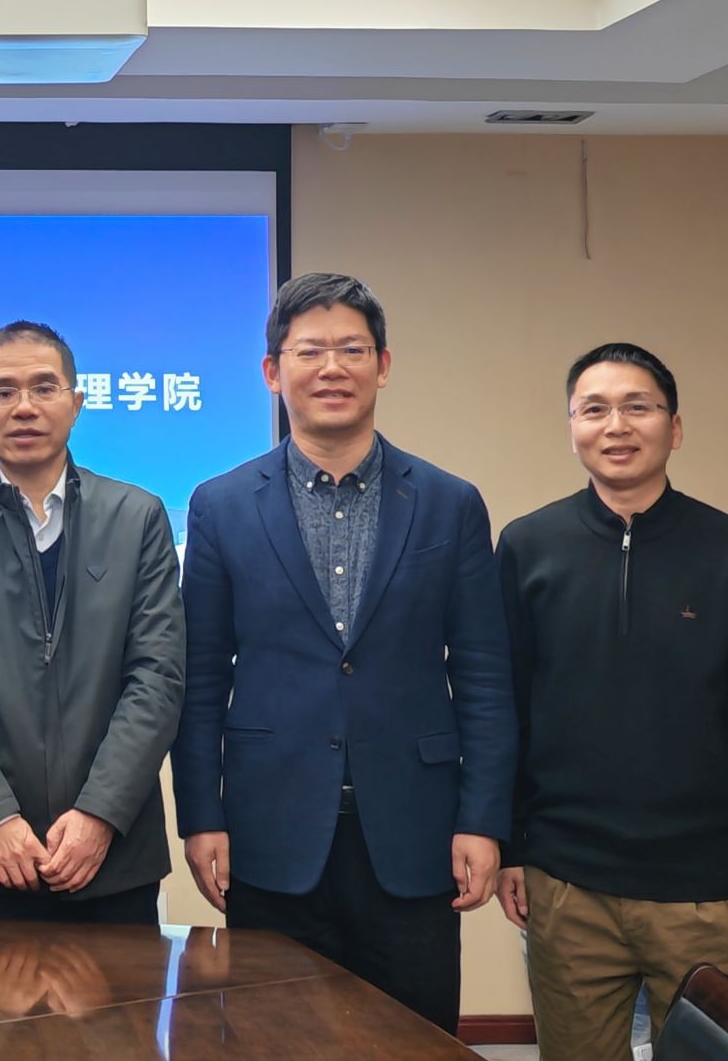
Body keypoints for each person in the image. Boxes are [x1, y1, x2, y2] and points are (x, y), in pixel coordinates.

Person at [171, 272, 515, 1034]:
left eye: (352, 350)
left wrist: (484, 819)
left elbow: (484, 676)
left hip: (416, 833)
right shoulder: (221, 505)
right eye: (310, 351)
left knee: (414, 1040)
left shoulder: (449, 502)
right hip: (270, 830)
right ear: (273, 371)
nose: (332, 368)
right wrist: (201, 815)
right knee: (273, 1040)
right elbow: (200, 680)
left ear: (382, 366)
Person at [495, 342, 728, 1060]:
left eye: (638, 406)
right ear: (572, 427)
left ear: (675, 427)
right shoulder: (527, 547)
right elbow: (506, 710)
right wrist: (509, 846)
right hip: (567, 885)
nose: (616, 426)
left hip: (703, 892)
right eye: (593, 409)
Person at [0, 319, 185, 923]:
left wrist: (100, 814)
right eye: (3, 391)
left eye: (44, 387)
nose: (24, 407)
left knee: (120, 993)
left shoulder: (137, 517)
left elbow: (156, 677)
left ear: (76, 403)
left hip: (113, 861)